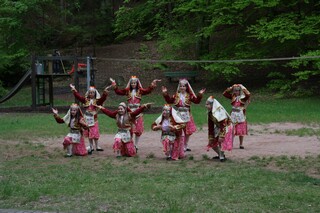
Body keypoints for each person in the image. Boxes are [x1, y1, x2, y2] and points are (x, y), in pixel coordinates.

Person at [110, 76, 161, 151]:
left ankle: (136, 145)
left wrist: (153, 84)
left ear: (137, 83)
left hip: (138, 111)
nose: (133, 84)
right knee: (129, 129)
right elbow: (118, 92)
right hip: (129, 112)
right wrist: (114, 84)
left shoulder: (140, 90)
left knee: (138, 129)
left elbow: (147, 91)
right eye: (132, 83)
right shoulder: (127, 91)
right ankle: (128, 143)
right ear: (130, 83)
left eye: (135, 83)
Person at [162, 78, 205, 154]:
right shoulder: (176, 95)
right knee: (178, 130)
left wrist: (200, 95)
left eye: (184, 86)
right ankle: (179, 144)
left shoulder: (189, 95)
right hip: (178, 115)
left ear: (186, 87)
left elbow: (196, 101)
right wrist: (165, 94)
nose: (182, 87)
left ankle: (185, 145)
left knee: (187, 131)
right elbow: (169, 101)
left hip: (187, 115)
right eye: (181, 86)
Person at [70, 84, 111, 154]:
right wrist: (74, 90)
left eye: (92, 93)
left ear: (95, 93)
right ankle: (91, 146)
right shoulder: (86, 100)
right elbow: (79, 97)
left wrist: (105, 93)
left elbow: (102, 99)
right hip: (87, 119)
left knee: (95, 133)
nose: (91, 94)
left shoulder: (97, 101)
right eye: (90, 92)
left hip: (94, 120)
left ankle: (97, 146)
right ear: (88, 93)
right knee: (89, 133)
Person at [205, 96, 233, 162]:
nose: (206, 106)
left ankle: (222, 157)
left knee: (221, 141)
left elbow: (223, 124)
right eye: (206, 104)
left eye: (207, 104)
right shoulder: (210, 113)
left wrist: (222, 135)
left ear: (212, 105)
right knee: (212, 142)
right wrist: (211, 136)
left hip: (226, 126)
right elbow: (210, 126)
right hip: (219, 126)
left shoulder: (220, 112)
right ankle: (220, 154)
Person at [223, 84, 250, 149]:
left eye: (237, 90)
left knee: (241, 130)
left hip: (240, 114)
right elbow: (224, 94)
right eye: (235, 90)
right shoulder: (232, 96)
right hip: (233, 114)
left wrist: (243, 87)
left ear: (240, 91)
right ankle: (230, 143)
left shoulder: (243, 97)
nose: (236, 91)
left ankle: (241, 144)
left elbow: (248, 94)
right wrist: (231, 88)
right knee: (231, 129)